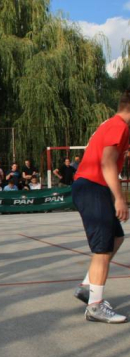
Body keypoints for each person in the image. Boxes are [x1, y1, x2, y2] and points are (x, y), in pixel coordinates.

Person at [71, 91, 130, 324]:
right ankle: (95, 307)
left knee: (116, 237)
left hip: (93, 187)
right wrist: (119, 197)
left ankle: (88, 287)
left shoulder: (114, 125)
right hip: (92, 186)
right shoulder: (120, 126)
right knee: (103, 249)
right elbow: (106, 162)